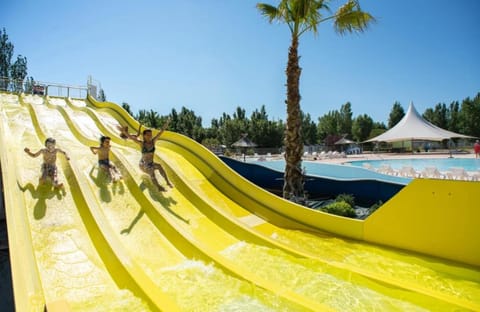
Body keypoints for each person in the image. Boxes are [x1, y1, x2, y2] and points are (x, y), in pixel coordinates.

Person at [120, 119, 173, 191]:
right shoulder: (142, 143)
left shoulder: (153, 142)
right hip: (143, 164)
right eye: (148, 135)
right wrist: (124, 132)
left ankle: (167, 182)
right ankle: (158, 187)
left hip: (150, 163)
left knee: (159, 166)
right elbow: (131, 137)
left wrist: (167, 123)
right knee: (151, 171)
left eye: (150, 135)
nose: (150, 136)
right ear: (144, 136)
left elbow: (160, 132)